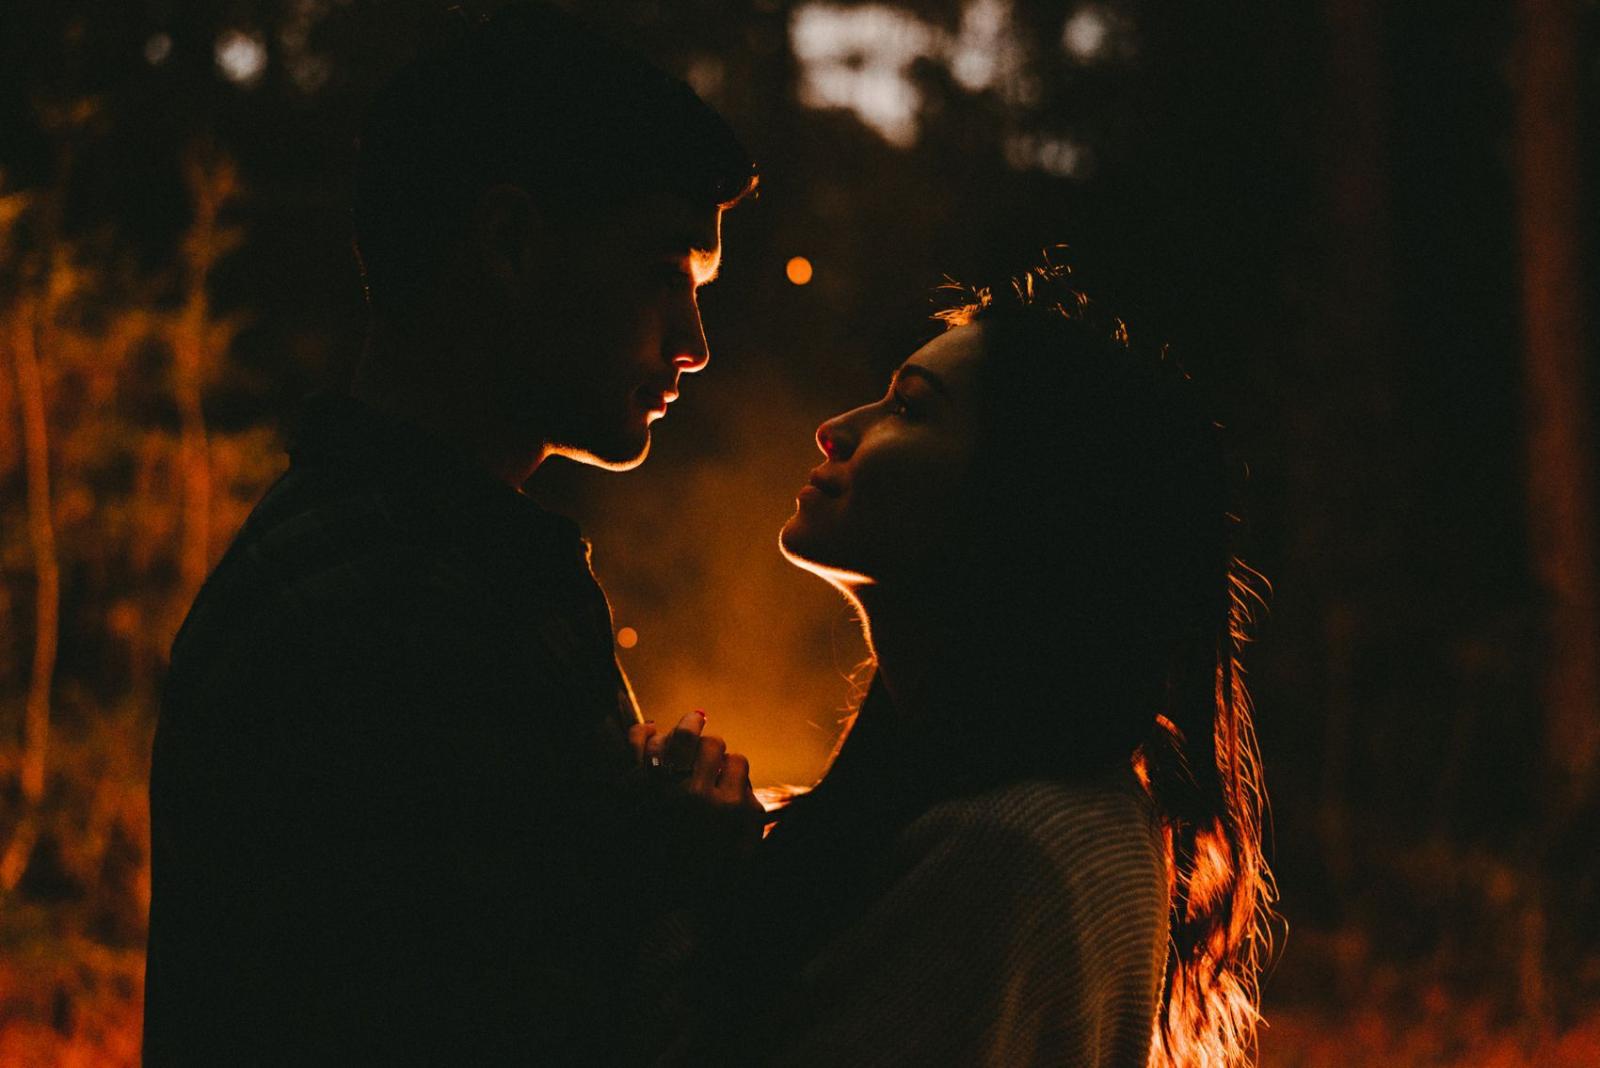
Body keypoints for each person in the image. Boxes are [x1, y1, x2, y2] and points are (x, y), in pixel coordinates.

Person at [143, 5, 761, 1064]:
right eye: (664, 273)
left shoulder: (400, 563)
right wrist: (689, 885)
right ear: (511, 243)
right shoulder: (398, 618)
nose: (695, 344)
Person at [676, 261, 1276, 1066]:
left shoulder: (1004, 851)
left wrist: (680, 898)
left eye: (908, 409)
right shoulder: (1068, 802)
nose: (835, 427)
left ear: (1021, 498)